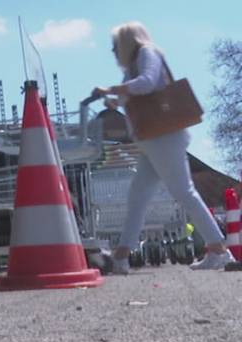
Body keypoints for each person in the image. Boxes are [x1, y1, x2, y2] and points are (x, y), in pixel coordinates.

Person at [93, 21, 235, 273]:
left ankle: (219, 250)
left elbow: (147, 83)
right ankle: (122, 257)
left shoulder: (148, 52)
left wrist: (113, 89)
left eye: (115, 45)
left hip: (164, 137)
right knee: (138, 197)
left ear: (127, 40)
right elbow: (136, 94)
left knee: (183, 192)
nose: (113, 51)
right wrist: (115, 100)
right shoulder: (133, 66)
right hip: (151, 139)